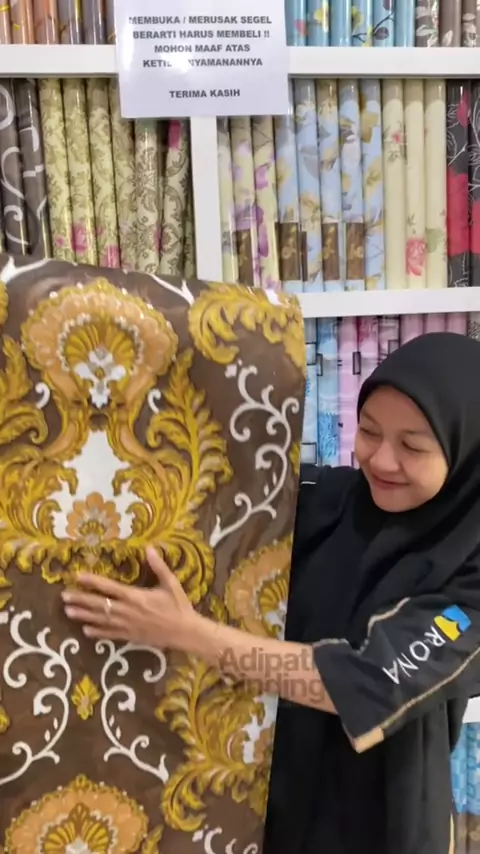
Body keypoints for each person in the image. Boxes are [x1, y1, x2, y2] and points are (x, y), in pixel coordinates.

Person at [62, 331, 480, 854]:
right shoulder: (331, 500)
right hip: (266, 791)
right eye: (369, 430)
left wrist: (184, 632)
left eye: (413, 447)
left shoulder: (469, 581)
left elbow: (363, 682)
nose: (380, 460)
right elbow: (223, 474)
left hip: (378, 823)